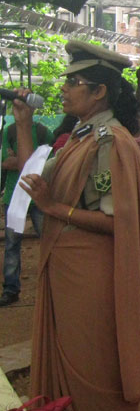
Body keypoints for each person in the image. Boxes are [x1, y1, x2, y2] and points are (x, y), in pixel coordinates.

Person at [11, 40, 140, 411]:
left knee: (92, 372)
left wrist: (54, 208)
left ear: (99, 91)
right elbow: (33, 178)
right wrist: (24, 124)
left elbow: (116, 220)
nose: (64, 88)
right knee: (68, 369)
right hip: (66, 272)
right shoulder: (79, 136)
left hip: (90, 279)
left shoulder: (108, 142)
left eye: (74, 82)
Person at [0, 120, 52, 306]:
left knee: (49, 241)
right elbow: (6, 163)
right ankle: (10, 289)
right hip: (14, 196)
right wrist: (32, 161)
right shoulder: (10, 131)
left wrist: (20, 160)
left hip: (37, 196)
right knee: (12, 244)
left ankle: (53, 286)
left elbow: (48, 163)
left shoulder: (43, 131)